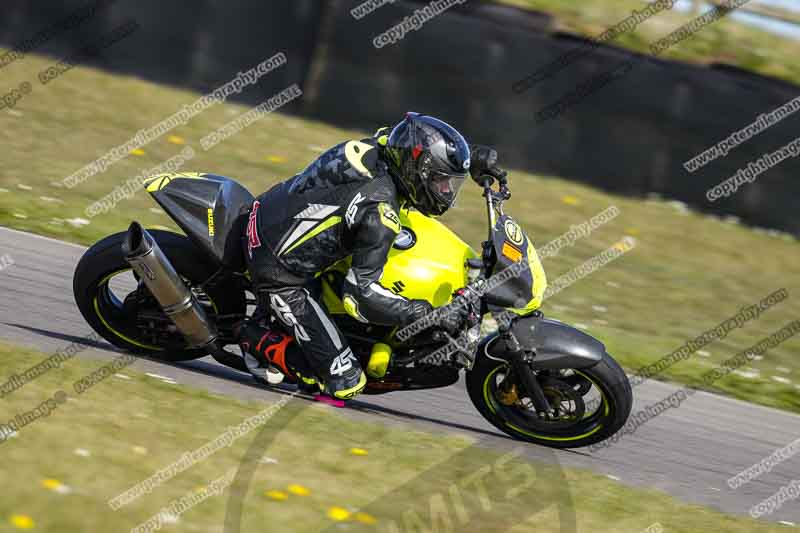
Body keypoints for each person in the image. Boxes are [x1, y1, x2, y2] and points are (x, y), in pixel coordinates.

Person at [236, 112, 505, 404]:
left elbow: (412, 140)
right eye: (440, 180)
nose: (445, 191)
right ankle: (254, 336)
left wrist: (470, 160)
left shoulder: (384, 148)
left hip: (274, 209)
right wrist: (427, 314)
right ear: (417, 170)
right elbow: (359, 296)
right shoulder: (379, 214)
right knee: (346, 383)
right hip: (280, 270)